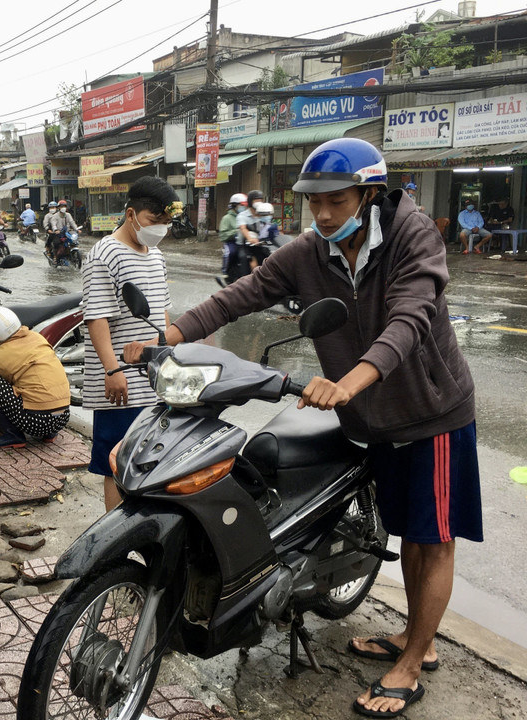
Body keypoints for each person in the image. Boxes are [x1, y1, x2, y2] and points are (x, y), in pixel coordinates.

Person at [126, 138, 481, 719]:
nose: (321, 215)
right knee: (401, 529)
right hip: (370, 417)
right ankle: (417, 635)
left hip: (430, 414)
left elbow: (410, 317)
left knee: (429, 539)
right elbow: (242, 294)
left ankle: (413, 662)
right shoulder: (309, 251)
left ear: (368, 196)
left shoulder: (414, 237)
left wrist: (350, 380)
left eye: (336, 202)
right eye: (313, 203)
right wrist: (170, 338)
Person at [83, 176, 178, 511]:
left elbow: (164, 313)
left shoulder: (156, 256)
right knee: (117, 462)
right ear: (131, 214)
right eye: (154, 222)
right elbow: (97, 318)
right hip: (121, 381)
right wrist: (112, 369)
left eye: (165, 223)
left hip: (154, 378)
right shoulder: (105, 253)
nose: (159, 229)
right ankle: (115, 540)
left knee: (151, 457)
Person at [0, 306, 70, 448]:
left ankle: (13, 435)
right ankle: (49, 434)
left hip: (36, 423)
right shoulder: (37, 337)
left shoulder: (2, 354)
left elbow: (4, 385)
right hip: (63, 418)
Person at [219, 192, 248, 282]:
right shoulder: (227, 218)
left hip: (245, 241)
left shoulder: (246, 217)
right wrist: (236, 232)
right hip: (232, 242)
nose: (244, 207)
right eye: (242, 205)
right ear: (235, 205)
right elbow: (223, 235)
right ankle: (226, 272)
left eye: (245, 205)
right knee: (231, 252)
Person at [43, 199, 79, 263]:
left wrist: (76, 229)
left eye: (64, 206)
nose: (63, 208)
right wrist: (55, 230)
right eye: (62, 206)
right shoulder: (54, 216)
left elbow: (72, 222)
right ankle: (55, 257)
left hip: (67, 232)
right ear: (59, 208)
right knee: (56, 243)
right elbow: (53, 224)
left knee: (73, 241)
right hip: (58, 233)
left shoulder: (68, 215)